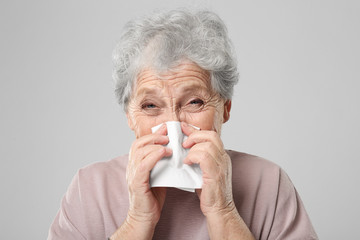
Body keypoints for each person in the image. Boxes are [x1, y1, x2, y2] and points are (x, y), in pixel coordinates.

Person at [48, 9, 318, 240]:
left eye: (194, 102)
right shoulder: (90, 189)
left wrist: (222, 210)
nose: (172, 125)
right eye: (150, 106)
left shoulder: (268, 182)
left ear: (225, 109)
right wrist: (137, 220)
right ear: (130, 116)